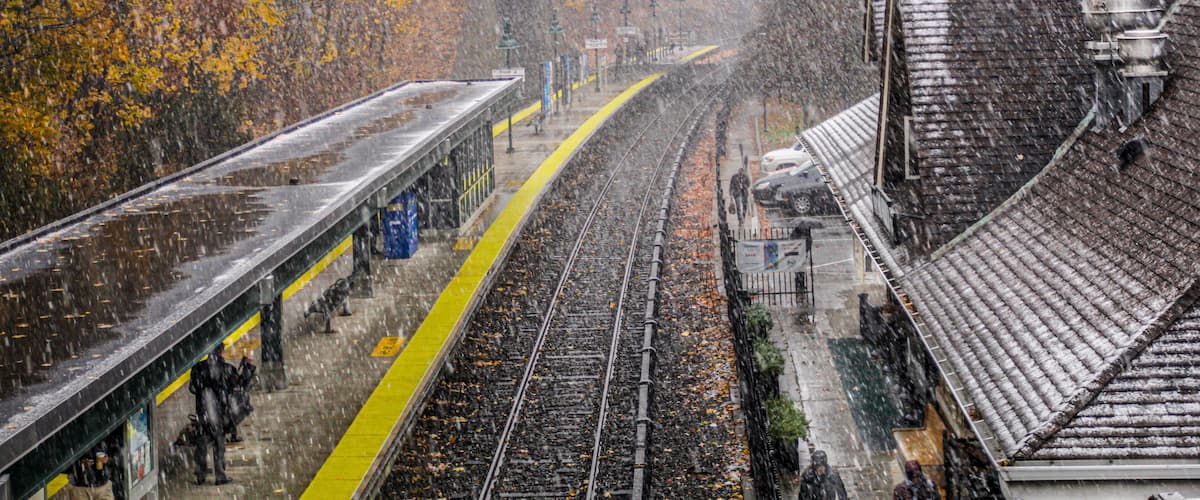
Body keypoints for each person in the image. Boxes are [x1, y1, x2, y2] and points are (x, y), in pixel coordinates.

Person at [189, 345, 234, 485]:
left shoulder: (197, 368)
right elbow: (230, 388)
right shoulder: (224, 368)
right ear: (220, 351)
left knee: (202, 443)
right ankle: (219, 475)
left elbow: (192, 388)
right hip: (216, 412)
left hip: (202, 412)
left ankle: (201, 475)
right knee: (219, 444)